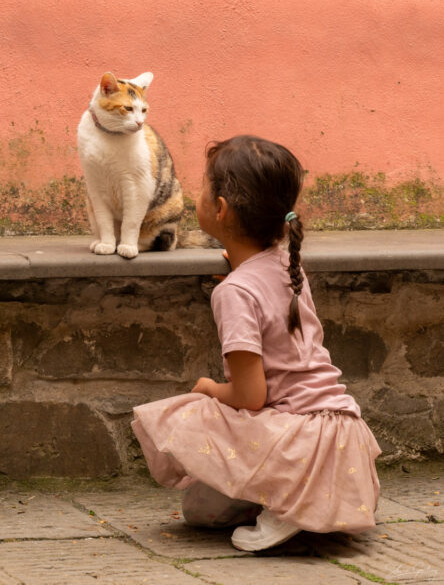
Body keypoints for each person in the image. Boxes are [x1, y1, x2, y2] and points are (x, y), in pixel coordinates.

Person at [132, 135, 381, 552]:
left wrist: (209, 389)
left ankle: (288, 506)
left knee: (189, 413)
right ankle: (307, 499)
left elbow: (250, 396)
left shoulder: (234, 293)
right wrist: (239, 274)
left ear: (221, 209)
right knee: (200, 510)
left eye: (204, 186)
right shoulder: (288, 264)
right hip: (342, 433)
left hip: (300, 440)